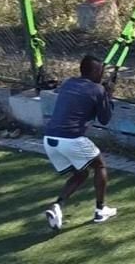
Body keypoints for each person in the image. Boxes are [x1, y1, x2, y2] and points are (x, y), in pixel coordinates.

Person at [42, 55, 117, 229]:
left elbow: (85, 99)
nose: (102, 75)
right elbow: (105, 119)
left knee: (81, 173)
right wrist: (109, 96)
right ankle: (100, 210)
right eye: (100, 71)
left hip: (49, 139)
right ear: (94, 71)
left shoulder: (68, 83)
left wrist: (103, 93)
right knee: (99, 166)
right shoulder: (98, 89)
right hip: (71, 138)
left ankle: (58, 205)